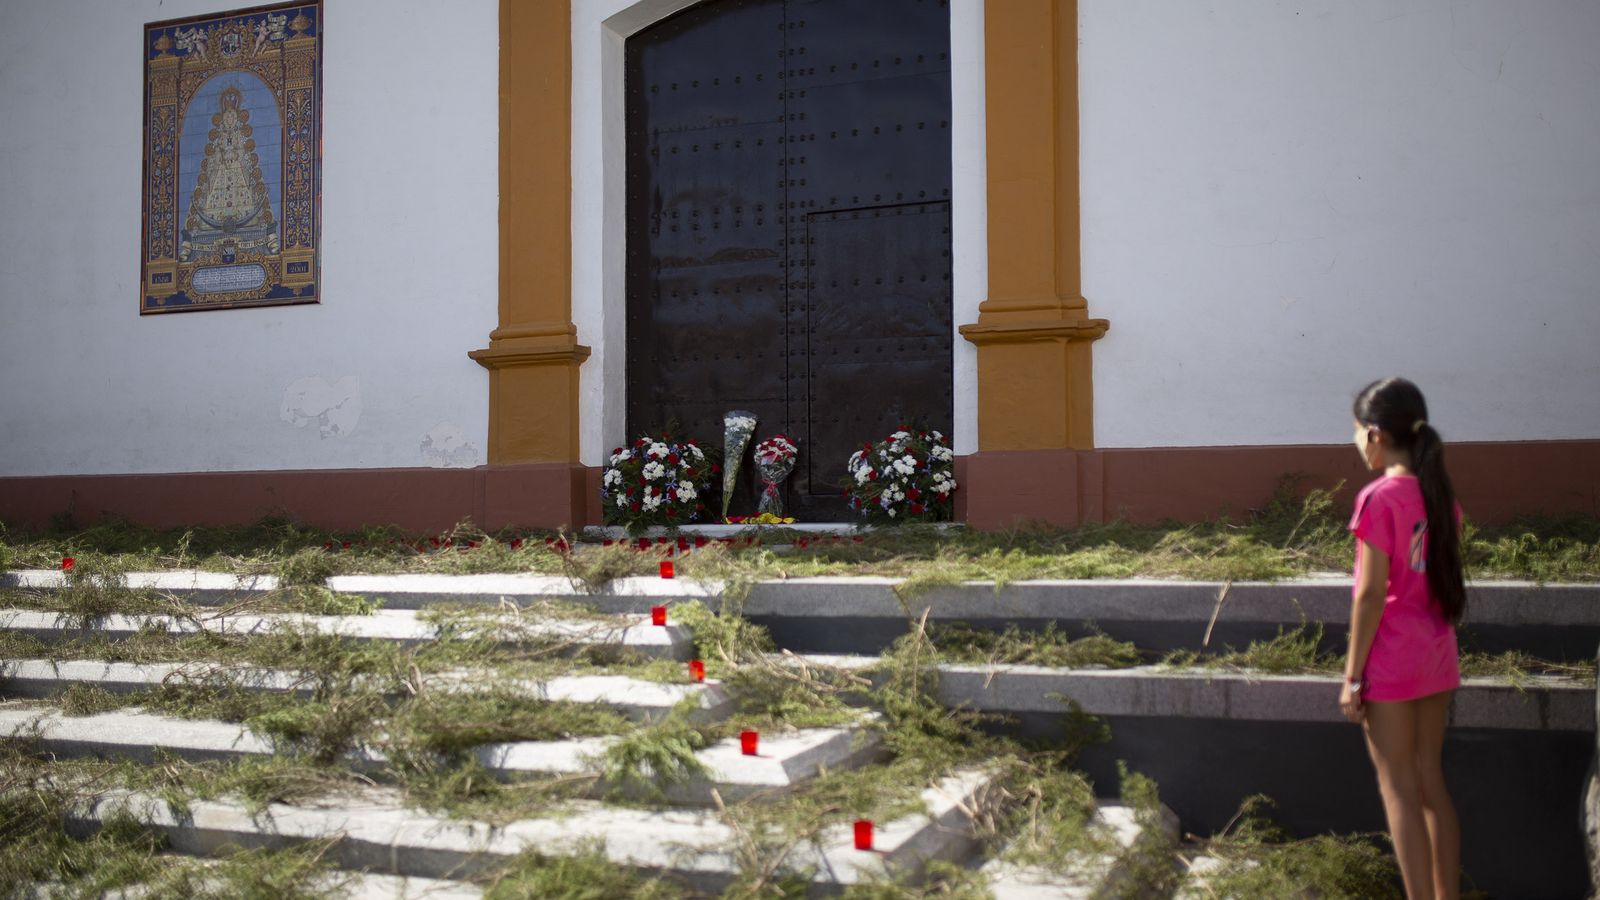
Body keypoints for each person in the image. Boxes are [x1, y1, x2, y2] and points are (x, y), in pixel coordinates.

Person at [1340, 377, 1466, 900]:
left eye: (1353, 432)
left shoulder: (1378, 498)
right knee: (1431, 783)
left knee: (1399, 793)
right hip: (1436, 654)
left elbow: (1369, 596)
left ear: (1373, 435)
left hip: (1391, 662)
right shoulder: (1439, 496)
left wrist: (1352, 677)